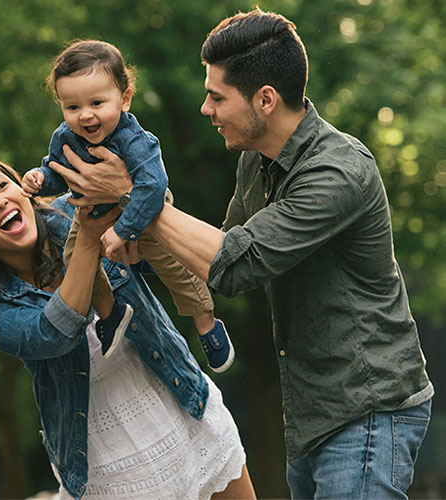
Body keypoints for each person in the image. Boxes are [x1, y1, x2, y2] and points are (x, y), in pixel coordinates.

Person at [46, 8, 433, 499]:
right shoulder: (258, 161)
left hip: (369, 409)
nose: (205, 109)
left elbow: (236, 262)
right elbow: (215, 254)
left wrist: (131, 192)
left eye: (216, 96)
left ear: (265, 100)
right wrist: (135, 238)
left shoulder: (337, 172)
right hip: (314, 411)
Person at [0, 153, 256, 499]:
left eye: (2, 185)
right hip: (105, 462)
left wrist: (136, 228)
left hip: (184, 402)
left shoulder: (75, 210)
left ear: (24, 189)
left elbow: (158, 231)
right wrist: (89, 238)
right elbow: (54, 333)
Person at [21, 39, 234, 372]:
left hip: (144, 210)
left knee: (175, 264)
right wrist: (39, 178)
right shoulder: (64, 137)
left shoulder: (133, 140)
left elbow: (152, 186)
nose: (85, 115)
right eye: (72, 107)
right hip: (94, 215)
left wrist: (124, 230)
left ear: (125, 98)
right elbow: (57, 170)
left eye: (96, 102)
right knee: (74, 259)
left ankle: (206, 322)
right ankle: (111, 313)